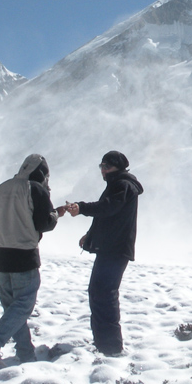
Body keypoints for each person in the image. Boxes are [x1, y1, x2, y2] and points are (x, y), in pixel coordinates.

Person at [0, 154, 64, 369]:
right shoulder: (36, 189)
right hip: (24, 254)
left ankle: (25, 355)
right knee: (23, 306)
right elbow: (45, 223)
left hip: (0, 254)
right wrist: (56, 214)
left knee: (13, 310)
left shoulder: (2, 187)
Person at [66, 151, 144, 356]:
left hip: (115, 249)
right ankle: (104, 344)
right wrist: (90, 235)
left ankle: (110, 347)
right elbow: (109, 216)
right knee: (99, 293)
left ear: (117, 167)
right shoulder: (118, 184)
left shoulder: (122, 185)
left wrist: (81, 207)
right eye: (101, 166)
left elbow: (107, 208)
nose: (103, 170)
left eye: (106, 166)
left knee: (103, 295)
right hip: (112, 248)